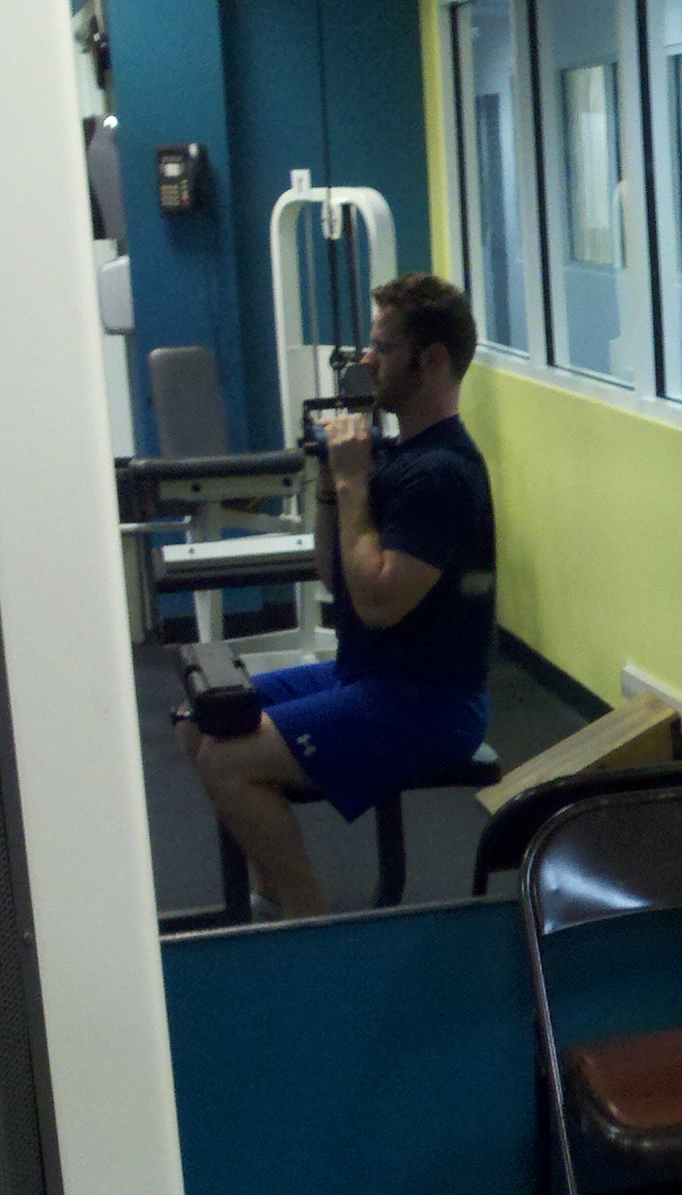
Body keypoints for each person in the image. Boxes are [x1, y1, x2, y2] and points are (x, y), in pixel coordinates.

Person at [175, 274, 496, 918]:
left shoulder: (443, 474)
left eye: (384, 347)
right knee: (198, 720)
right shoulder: (400, 454)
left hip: (429, 707)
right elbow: (334, 576)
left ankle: (308, 918)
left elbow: (377, 602)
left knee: (229, 761)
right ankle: (271, 894)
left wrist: (353, 485)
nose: (367, 361)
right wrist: (331, 483)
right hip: (367, 676)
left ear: (432, 360)